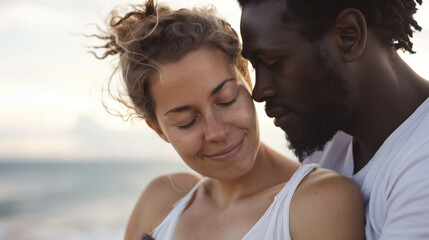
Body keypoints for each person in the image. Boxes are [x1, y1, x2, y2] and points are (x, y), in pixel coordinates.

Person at [91, 0, 365, 239]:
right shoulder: (160, 201)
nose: (217, 131)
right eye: (187, 121)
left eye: (226, 100)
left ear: (246, 79)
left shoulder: (319, 201)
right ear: (159, 130)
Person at [238, 0, 429, 239]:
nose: (258, 92)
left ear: (349, 35)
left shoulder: (422, 167)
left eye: (274, 62)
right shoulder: (328, 146)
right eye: (255, 68)